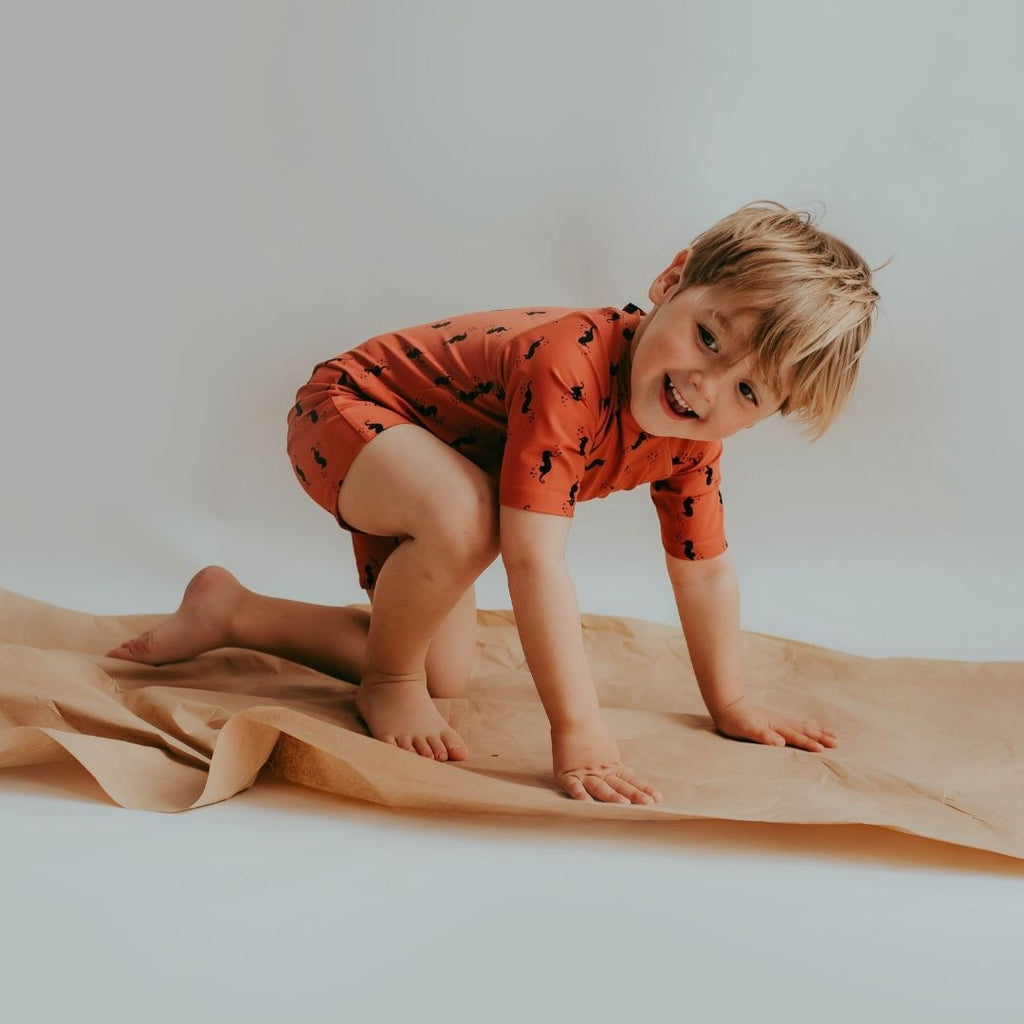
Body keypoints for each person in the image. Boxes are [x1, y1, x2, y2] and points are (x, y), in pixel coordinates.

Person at [107, 200, 882, 806]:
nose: (704, 386)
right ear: (672, 281)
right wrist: (578, 729)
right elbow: (532, 558)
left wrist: (732, 700)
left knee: (440, 674)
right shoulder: (570, 364)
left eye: (746, 389)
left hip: (447, 471)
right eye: (709, 338)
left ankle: (232, 612)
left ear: (763, 415)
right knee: (467, 528)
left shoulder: (691, 441)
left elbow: (705, 571)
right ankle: (385, 685)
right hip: (350, 413)